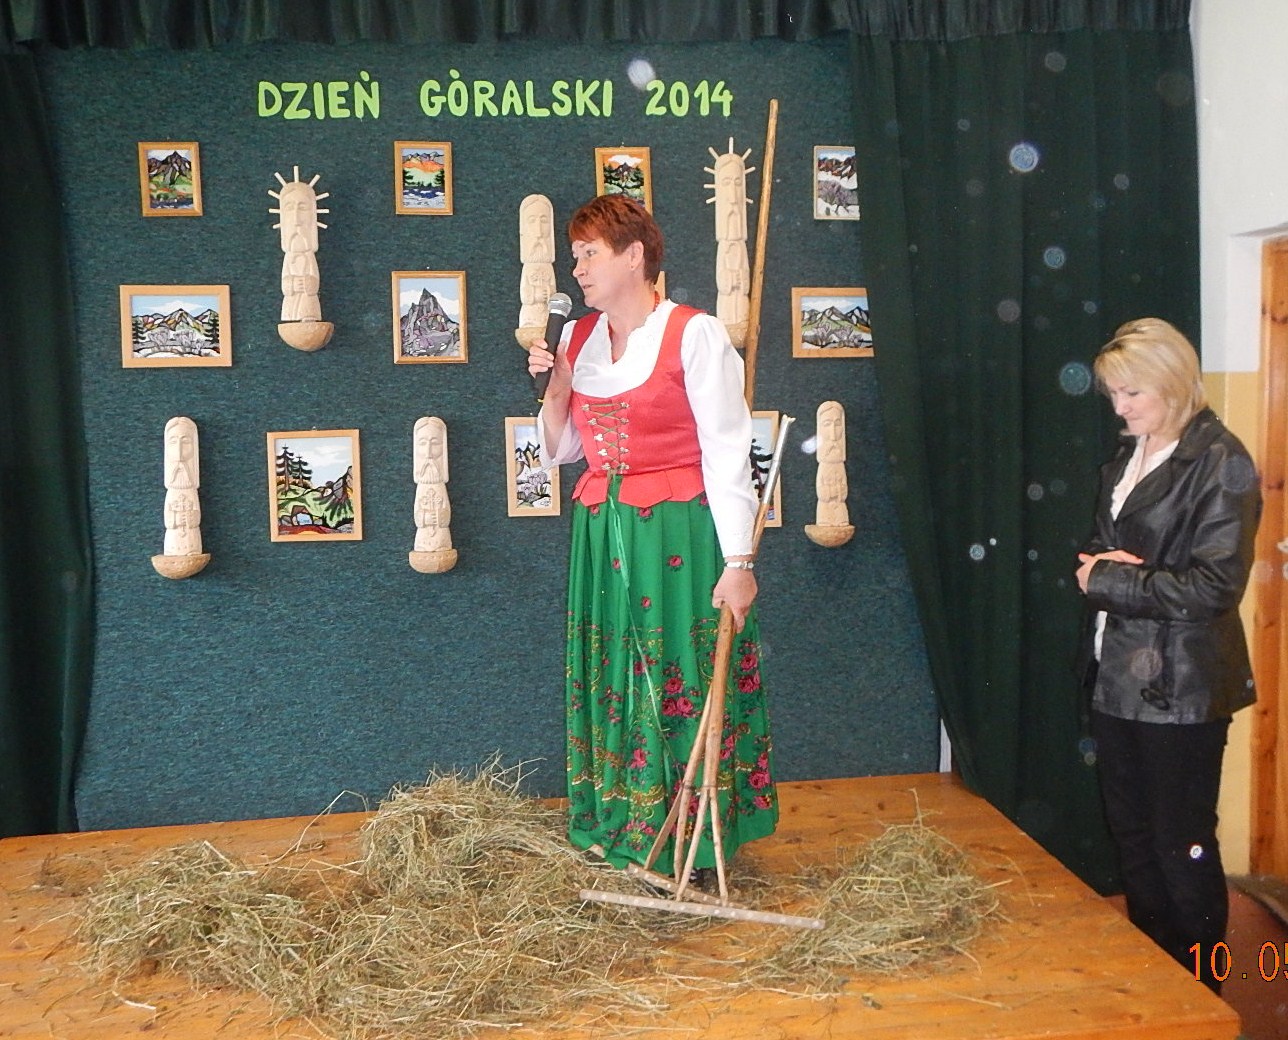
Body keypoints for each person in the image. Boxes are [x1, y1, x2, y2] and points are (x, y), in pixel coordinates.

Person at [526, 194, 777, 874]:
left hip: (677, 534)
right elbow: (564, 451)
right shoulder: (577, 338)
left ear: (634, 256)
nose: (578, 269)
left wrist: (739, 561)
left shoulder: (694, 334)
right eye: (575, 255)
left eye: (590, 254)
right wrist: (556, 389)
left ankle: (689, 835)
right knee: (615, 670)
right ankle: (623, 819)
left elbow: (728, 451)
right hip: (603, 533)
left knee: (680, 672)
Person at [1075, 317, 1260, 992]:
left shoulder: (1220, 460)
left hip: (1182, 688)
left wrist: (1110, 577)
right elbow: (1117, 550)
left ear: (1173, 383)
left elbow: (1215, 587)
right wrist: (1110, 568)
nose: (1119, 409)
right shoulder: (1135, 451)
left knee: (1182, 845)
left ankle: (1206, 994)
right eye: (1113, 394)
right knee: (1132, 837)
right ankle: (1160, 981)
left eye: (1132, 393)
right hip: (1117, 676)